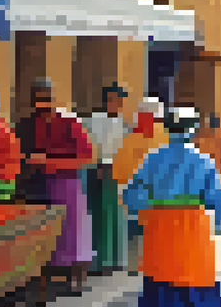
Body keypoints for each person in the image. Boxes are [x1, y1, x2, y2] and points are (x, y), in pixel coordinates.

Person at [124, 106, 221, 307]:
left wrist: (146, 210)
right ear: (193, 129)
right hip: (191, 230)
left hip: (160, 227)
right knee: (195, 288)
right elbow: (218, 198)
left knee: (160, 287)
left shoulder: (153, 158)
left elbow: (132, 194)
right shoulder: (201, 160)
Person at [21, 78, 96, 294]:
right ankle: (42, 279)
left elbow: (87, 157)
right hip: (37, 183)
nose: (42, 104)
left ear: (53, 98)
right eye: (37, 99)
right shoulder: (27, 123)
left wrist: (50, 161)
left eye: (46, 99)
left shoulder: (69, 121)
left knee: (73, 231)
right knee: (41, 233)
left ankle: (77, 278)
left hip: (66, 182)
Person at [113, 98, 170, 277]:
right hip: (157, 193)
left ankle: (134, 265)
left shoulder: (130, 137)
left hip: (136, 191)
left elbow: (119, 167)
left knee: (135, 230)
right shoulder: (165, 135)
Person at [81, 84, 130, 274]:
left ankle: (115, 259)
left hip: (116, 174)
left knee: (115, 216)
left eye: (119, 101)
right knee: (98, 216)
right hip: (96, 172)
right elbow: (90, 146)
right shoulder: (92, 121)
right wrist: (99, 165)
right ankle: (98, 260)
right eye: (113, 100)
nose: (116, 104)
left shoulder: (123, 125)